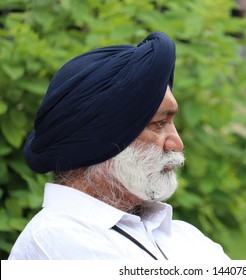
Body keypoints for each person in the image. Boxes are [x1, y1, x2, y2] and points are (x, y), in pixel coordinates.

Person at [8, 32, 229, 260]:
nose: (176, 143)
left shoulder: (184, 236)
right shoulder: (56, 237)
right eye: (159, 124)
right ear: (100, 138)